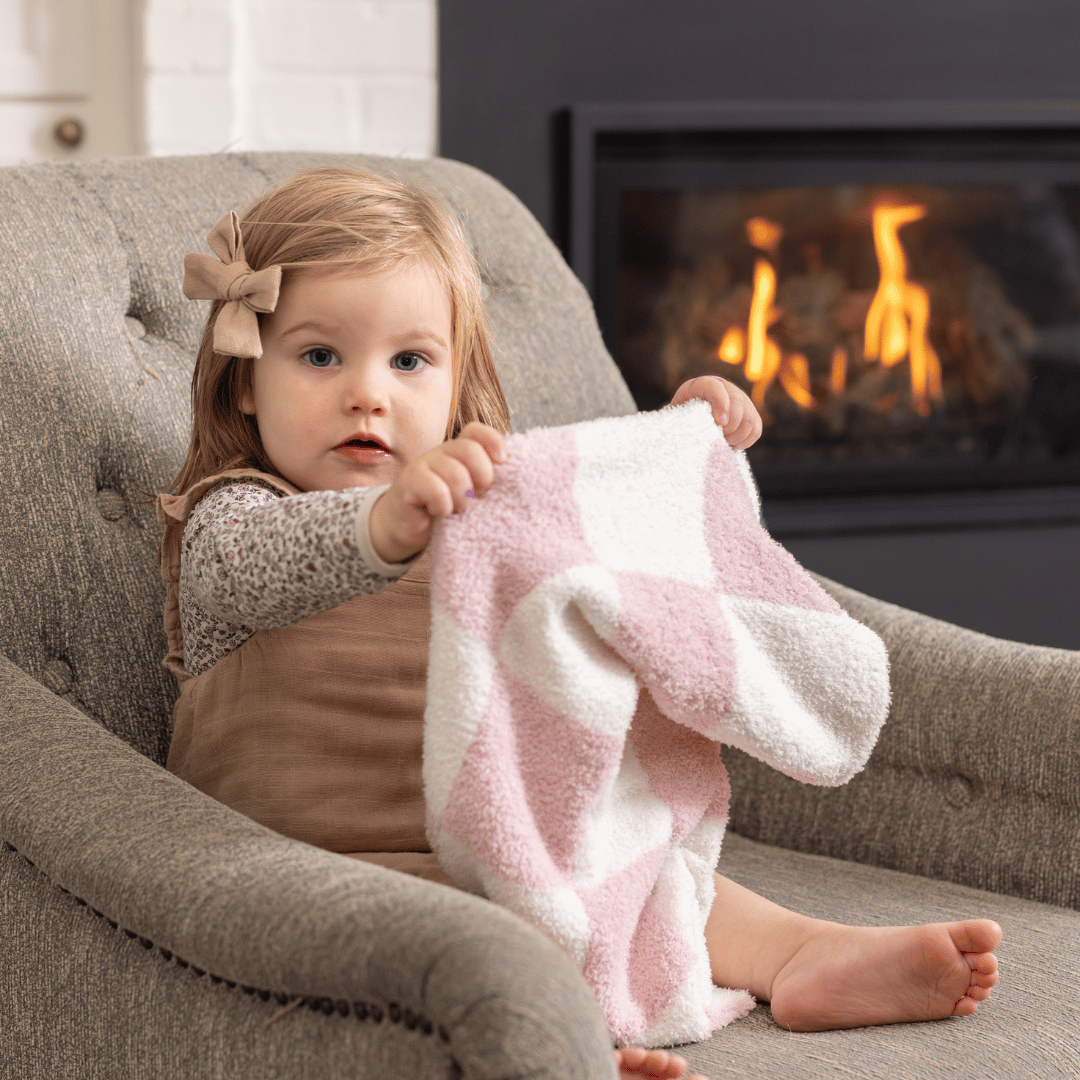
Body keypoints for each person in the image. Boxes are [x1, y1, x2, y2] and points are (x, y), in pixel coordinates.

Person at [158, 166, 1001, 1080]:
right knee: (462, 964)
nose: (369, 394)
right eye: (320, 356)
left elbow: (604, 550)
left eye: (409, 362)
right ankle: (563, 1050)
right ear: (245, 383)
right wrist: (382, 522)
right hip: (306, 871)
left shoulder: (483, 515)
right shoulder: (227, 521)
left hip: (489, 842)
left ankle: (799, 952)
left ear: (453, 386)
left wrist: (673, 454)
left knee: (647, 878)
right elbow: (271, 561)